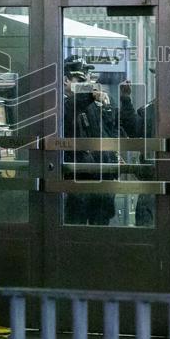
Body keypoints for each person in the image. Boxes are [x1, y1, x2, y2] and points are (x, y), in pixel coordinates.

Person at [62, 55, 119, 225]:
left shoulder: (92, 105)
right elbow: (71, 108)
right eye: (79, 79)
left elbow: (108, 134)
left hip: (100, 179)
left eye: (86, 80)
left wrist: (106, 107)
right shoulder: (61, 104)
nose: (85, 85)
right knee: (76, 231)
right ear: (65, 80)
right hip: (78, 180)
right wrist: (89, 95)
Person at [119, 76, 156, 226]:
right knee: (147, 226)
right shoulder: (152, 108)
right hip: (152, 178)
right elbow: (134, 129)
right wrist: (126, 99)